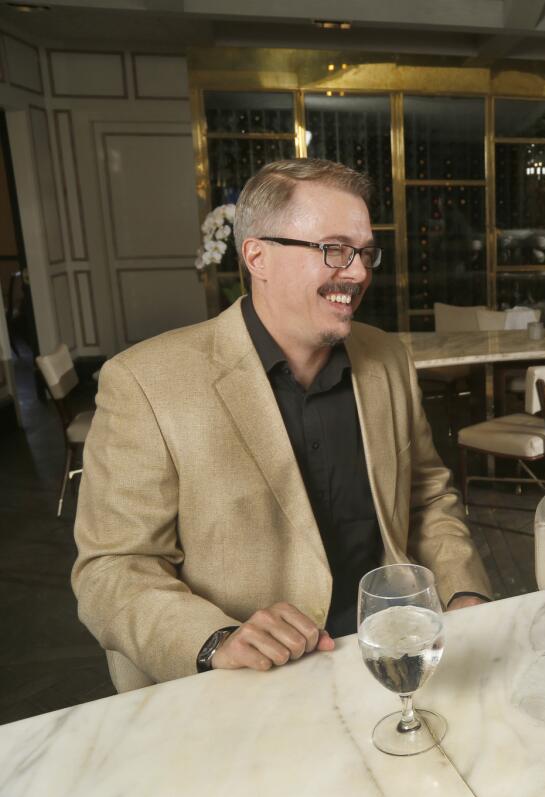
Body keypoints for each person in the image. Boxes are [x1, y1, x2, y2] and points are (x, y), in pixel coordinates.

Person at [73, 159, 491, 692]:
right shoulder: (144, 382)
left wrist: (462, 593)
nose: (359, 272)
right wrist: (213, 640)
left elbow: (428, 497)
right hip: (242, 686)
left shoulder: (386, 357)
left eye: (365, 253)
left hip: (389, 655)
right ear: (257, 256)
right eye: (334, 250)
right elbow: (112, 569)